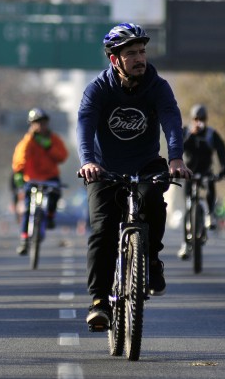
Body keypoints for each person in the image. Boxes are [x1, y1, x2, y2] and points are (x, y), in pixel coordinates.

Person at [77, 22, 191, 330]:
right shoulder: (98, 89)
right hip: (104, 169)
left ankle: (152, 260)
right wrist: (88, 161)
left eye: (142, 51)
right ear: (115, 59)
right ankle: (99, 300)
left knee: (154, 201)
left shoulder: (157, 86)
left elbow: (170, 119)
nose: (140, 58)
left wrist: (176, 157)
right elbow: (85, 126)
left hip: (146, 165)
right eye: (131, 54)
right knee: (102, 232)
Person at [11, 107, 69, 255]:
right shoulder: (28, 141)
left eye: (42, 123)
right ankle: (24, 240)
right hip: (32, 178)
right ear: (31, 125)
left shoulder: (54, 139)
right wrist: (19, 172)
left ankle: (49, 216)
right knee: (28, 208)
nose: (39, 126)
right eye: (36, 123)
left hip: (50, 177)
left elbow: (62, 156)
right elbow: (20, 156)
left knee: (55, 195)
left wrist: (49, 147)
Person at [178, 104, 225, 259]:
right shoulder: (186, 132)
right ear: (192, 119)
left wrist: (224, 168)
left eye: (202, 119)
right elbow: (178, 148)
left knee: (209, 187)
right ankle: (186, 243)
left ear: (206, 120)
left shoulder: (211, 134)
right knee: (188, 206)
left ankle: (210, 214)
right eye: (196, 119)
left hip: (206, 171)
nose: (198, 121)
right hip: (189, 172)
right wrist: (191, 136)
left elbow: (221, 151)